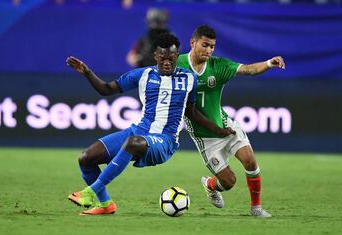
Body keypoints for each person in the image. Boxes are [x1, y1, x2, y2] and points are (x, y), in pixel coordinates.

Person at [66, 33, 234, 215]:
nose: (167, 62)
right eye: (163, 59)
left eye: (171, 58)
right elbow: (106, 89)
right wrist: (87, 72)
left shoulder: (189, 78)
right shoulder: (143, 75)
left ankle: (90, 192)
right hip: (138, 131)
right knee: (85, 158)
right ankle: (105, 204)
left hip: (165, 140)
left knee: (133, 143)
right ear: (155, 56)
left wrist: (218, 130)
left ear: (177, 55)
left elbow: (191, 111)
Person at [177, 25, 286, 218]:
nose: (209, 50)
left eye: (212, 46)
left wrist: (269, 63)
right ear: (193, 43)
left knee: (250, 160)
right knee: (229, 182)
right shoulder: (178, 66)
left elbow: (248, 70)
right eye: (205, 45)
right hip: (205, 138)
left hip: (226, 125)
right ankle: (210, 185)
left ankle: (256, 208)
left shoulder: (218, 66)